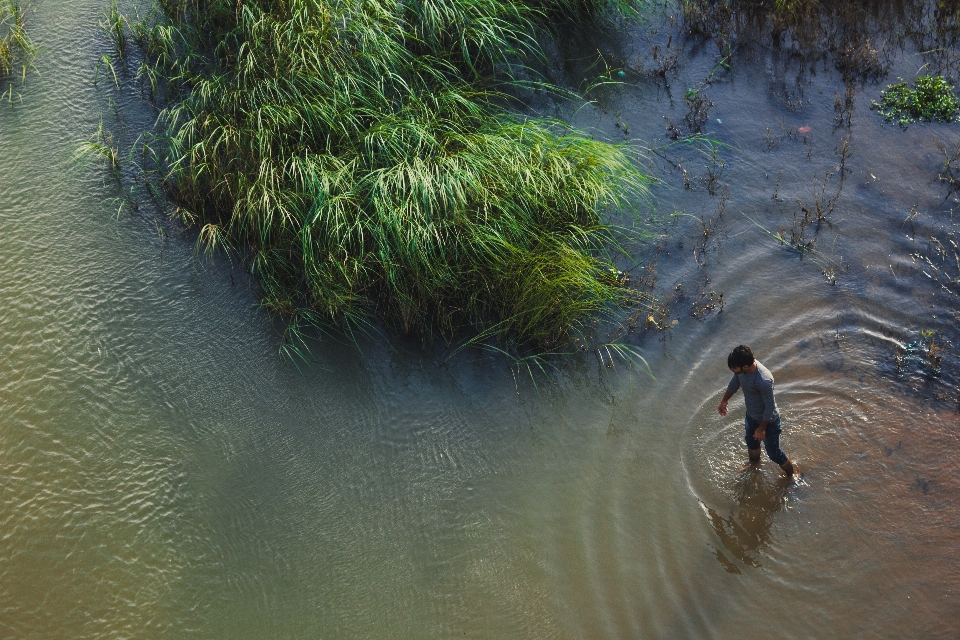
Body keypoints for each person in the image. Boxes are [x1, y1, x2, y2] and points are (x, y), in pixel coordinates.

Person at [717, 345, 796, 477]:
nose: (731, 369)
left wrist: (761, 429)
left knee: (774, 454)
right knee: (752, 444)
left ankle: (792, 476)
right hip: (751, 416)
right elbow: (735, 382)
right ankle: (754, 466)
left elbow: (770, 406)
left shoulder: (763, 380)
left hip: (768, 422)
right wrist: (724, 401)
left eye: (734, 368)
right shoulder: (741, 371)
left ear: (746, 366)